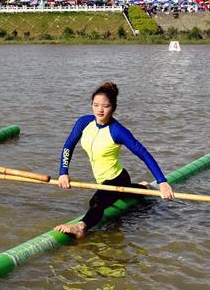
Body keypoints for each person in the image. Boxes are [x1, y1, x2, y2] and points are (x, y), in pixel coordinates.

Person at [54, 81, 174, 239]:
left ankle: (81, 227)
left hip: (116, 178)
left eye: (105, 106)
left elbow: (143, 153)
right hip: (105, 181)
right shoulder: (84, 123)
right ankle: (142, 189)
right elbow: (68, 146)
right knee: (116, 193)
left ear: (113, 107)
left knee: (96, 201)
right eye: (96, 105)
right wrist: (63, 172)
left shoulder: (118, 131)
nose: (100, 110)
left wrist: (162, 182)